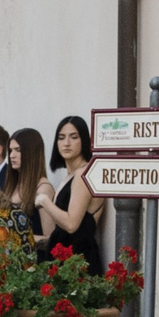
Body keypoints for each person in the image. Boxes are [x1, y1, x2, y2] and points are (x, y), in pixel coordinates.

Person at [40, 114, 106, 273]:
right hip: (65, 259)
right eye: (61, 138)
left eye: (74, 137)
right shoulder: (71, 175)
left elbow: (71, 224)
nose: (66, 143)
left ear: (84, 140)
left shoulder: (83, 174)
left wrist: (45, 202)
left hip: (78, 261)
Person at [8, 127, 51, 252]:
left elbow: (50, 238)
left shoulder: (43, 189)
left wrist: (20, 238)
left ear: (31, 152)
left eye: (18, 150)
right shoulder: (13, 185)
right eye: (10, 150)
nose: (12, 155)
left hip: (32, 263)